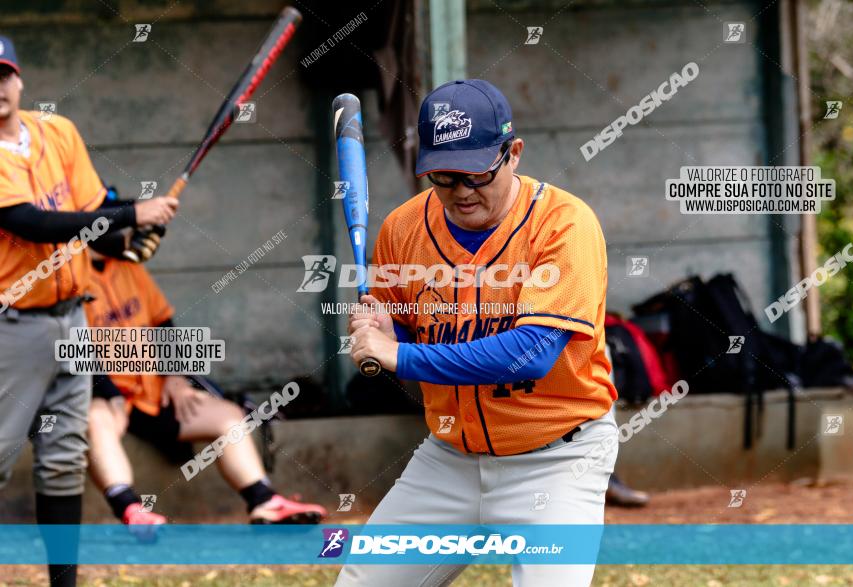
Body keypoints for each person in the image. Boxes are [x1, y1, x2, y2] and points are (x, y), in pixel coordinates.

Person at [336, 79, 618, 586]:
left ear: (513, 153)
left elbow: (530, 353)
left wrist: (399, 356)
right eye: (444, 177)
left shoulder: (564, 225)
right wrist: (384, 329)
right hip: (449, 459)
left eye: (477, 174)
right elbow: (400, 329)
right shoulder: (403, 229)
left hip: (558, 458)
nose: (462, 192)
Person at [0, 35, 178, 587]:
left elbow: (91, 214)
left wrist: (125, 237)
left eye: (2, 74)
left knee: (64, 459)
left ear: (19, 78)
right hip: (11, 328)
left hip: (71, 320)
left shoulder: (59, 132)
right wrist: (131, 213)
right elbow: (30, 223)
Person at [84, 250, 327, 525]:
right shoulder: (69, 272)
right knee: (95, 418)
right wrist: (110, 396)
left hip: (152, 393)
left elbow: (163, 324)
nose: (129, 234)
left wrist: (175, 377)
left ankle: (263, 501)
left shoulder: (128, 266)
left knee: (228, 416)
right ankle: (130, 510)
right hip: (102, 393)